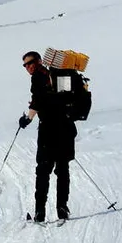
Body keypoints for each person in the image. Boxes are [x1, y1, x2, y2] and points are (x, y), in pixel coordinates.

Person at [18, 50, 77, 222]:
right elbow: (68, 98)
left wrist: (27, 118)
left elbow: (38, 101)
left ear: (38, 61)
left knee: (43, 170)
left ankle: (40, 212)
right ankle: (62, 208)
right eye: (25, 65)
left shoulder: (38, 77)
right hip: (65, 129)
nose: (28, 67)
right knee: (62, 169)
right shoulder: (57, 75)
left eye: (30, 63)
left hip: (48, 131)